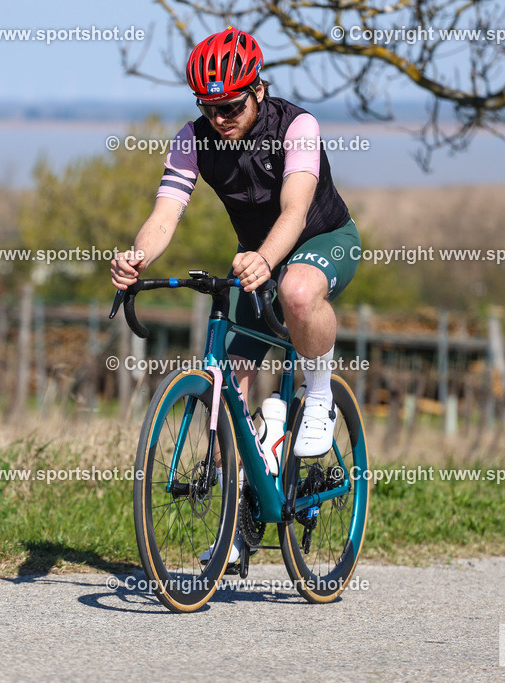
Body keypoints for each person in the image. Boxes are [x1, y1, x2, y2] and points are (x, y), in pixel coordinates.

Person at [110, 27, 361, 566]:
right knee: (228, 382)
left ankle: (317, 395)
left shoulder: (297, 126)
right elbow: (165, 214)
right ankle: (239, 521)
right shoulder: (192, 138)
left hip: (321, 240)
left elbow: (294, 208)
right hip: (256, 256)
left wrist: (268, 260)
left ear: (258, 90)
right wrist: (137, 258)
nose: (220, 118)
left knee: (296, 289)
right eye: (209, 107)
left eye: (231, 106)